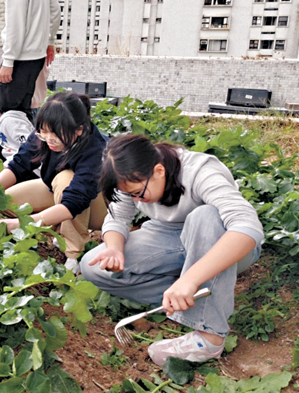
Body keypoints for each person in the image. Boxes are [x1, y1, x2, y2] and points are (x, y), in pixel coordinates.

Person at [80, 134, 262, 366]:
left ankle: (210, 336)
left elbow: (247, 227)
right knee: (93, 267)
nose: (137, 200)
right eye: (131, 195)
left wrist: (191, 279)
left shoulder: (200, 171)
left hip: (221, 238)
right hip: (168, 232)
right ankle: (206, 293)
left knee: (205, 216)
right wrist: (115, 248)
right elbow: (117, 219)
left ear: (159, 171)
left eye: (138, 193)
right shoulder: (131, 178)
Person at [0, 92, 108, 274]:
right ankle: (58, 227)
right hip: (60, 193)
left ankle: (74, 255)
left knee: (65, 178)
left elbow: (73, 203)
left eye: (55, 134)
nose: (48, 139)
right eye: (44, 131)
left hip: (99, 207)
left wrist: (21, 224)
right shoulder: (45, 135)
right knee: (4, 200)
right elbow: (19, 164)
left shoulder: (95, 150)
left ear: (79, 129)